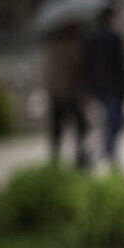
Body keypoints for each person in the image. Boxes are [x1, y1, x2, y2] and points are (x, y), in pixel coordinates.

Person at [83, 7, 124, 167]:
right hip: (112, 87)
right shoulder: (112, 38)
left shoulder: (93, 39)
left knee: (110, 121)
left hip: (101, 87)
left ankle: (106, 150)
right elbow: (120, 65)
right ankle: (106, 151)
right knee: (114, 121)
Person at [44, 22, 89, 168]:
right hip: (69, 93)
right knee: (81, 125)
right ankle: (79, 155)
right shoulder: (72, 47)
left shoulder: (51, 47)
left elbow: (48, 72)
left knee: (56, 128)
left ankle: (55, 158)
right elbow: (77, 70)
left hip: (55, 93)